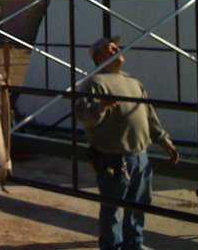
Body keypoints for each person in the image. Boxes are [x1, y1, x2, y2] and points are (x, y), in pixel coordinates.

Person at [76, 36, 179, 250]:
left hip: (140, 156)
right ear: (99, 57)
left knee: (138, 206)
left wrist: (164, 141)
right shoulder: (95, 83)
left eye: (117, 46)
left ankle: (134, 244)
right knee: (114, 209)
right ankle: (112, 246)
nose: (117, 49)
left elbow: (149, 116)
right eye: (110, 47)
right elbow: (85, 117)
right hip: (115, 159)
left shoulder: (133, 83)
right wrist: (101, 107)